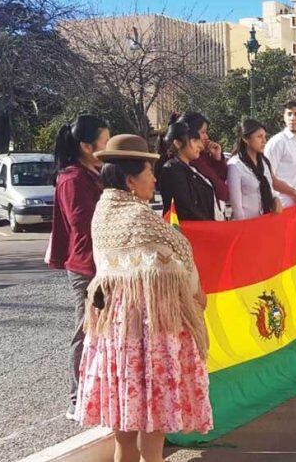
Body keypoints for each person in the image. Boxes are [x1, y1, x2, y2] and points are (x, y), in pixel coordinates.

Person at [76, 134, 212, 462]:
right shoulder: (141, 219)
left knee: (125, 425)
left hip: (116, 333)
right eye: (148, 172)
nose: (154, 178)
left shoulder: (103, 213)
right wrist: (195, 290)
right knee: (152, 426)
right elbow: (176, 265)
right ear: (130, 180)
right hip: (151, 331)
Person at [46, 115, 110, 420]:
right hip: (86, 266)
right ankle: (76, 398)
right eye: (104, 141)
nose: (107, 146)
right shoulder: (72, 179)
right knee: (86, 330)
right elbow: (83, 225)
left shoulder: (94, 173)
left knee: (105, 331)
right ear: (86, 146)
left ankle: (97, 393)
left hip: (103, 262)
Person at [158, 120, 223, 221]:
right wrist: (209, 226)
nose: (200, 146)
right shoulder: (172, 170)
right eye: (195, 141)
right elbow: (186, 207)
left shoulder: (192, 170)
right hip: (188, 233)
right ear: (178, 143)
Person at [227, 119, 283, 220]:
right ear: (245, 139)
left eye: (265, 136)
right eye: (259, 137)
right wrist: (245, 227)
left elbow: (270, 187)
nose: (264, 141)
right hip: (248, 224)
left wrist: (275, 198)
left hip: (267, 220)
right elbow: (236, 206)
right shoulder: (235, 166)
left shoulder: (264, 162)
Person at [178, 112, 229, 207]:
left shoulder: (203, 156)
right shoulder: (192, 162)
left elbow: (221, 179)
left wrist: (217, 158)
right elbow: (221, 190)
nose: (206, 137)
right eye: (203, 132)